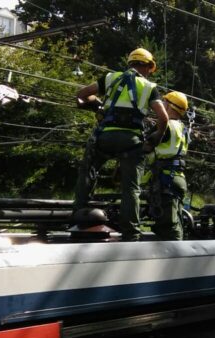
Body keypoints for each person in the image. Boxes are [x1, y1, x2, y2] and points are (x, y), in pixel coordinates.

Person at [73, 48, 169, 241]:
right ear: (148, 66)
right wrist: (154, 140)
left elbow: (82, 94)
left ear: (131, 63)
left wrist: (98, 107)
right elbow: (163, 118)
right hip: (131, 141)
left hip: (104, 137)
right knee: (131, 188)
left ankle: (77, 216)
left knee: (88, 171)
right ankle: (131, 233)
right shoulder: (149, 87)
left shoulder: (110, 78)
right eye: (150, 68)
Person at [143, 91, 189, 240]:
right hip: (177, 177)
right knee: (176, 220)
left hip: (166, 179)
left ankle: (175, 256)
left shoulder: (165, 126)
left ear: (169, 105)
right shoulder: (182, 127)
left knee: (168, 224)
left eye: (163, 102)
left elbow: (145, 147)